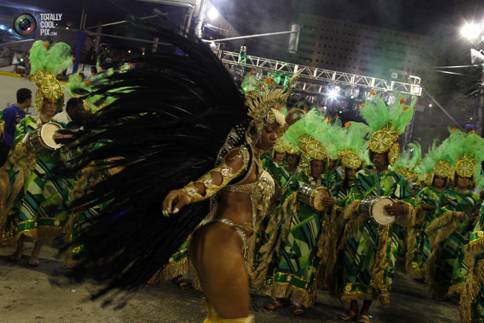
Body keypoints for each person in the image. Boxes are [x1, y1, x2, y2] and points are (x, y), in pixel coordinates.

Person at [54, 26, 292, 322]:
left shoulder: (252, 158)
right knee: (235, 320)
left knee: (220, 318)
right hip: (223, 237)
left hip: (228, 239)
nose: (274, 138)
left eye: (278, 133)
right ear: (257, 126)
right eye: (270, 131)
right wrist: (187, 192)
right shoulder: (241, 155)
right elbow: (217, 177)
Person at [336, 95, 416, 323]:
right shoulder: (362, 175)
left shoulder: (399, 180)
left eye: (382, 155)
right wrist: (365, 206)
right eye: (375, 154)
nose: (378, 158)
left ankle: (365, 311)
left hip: (385, 236)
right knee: (354, 266)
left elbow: (411, 205)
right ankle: (352, 307)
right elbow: (351, 199)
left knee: (376, 270)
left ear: (390, 154)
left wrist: (402, 208)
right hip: (360, 230)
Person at [4, 40, 72, 266]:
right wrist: (28, 144)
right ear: (41, 101)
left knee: (44, 217)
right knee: (22, 212)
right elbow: (17, 146)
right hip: (28, 174)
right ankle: (19, 250)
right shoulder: (28, 122)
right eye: (49, 102)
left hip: (49, 178)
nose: (52, 107)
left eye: (55, 104)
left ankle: (35, 254)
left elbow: (66, 154)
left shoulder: (60, 127)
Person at [264, 110, 337, 315]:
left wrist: (332, 203)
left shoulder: (329, 182)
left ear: (324, 166)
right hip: (295, 226)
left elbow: (337, 203)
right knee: (287, 257)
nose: (316, 168)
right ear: (308, 164)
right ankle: (278, 297)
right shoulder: (298, 179)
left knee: (307, 264)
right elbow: (285, 195)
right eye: (313, 164)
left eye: (320, 165)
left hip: (315, 230)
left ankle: (298, 301)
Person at [0, 88, 32, 167]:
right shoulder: (10, 111)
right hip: (4, 146)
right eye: (31, 99)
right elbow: (4, 128)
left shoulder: (23, 114)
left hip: (12, 147)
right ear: (27, 100)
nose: (31, 101)